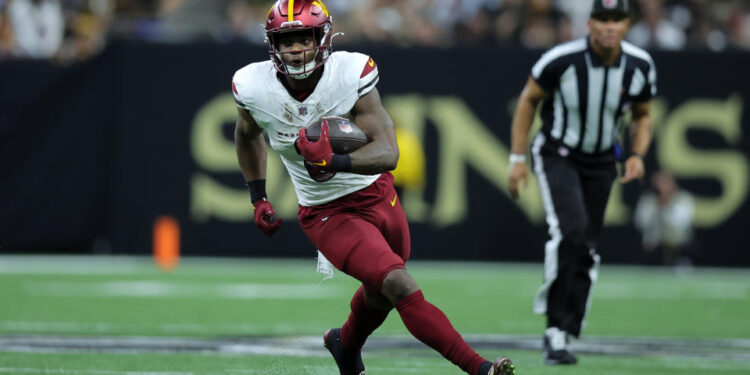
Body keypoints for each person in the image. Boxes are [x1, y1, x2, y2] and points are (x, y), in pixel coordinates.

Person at [232, 1, 515, 375]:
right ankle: (479, 368)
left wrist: (332, 161)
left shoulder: (350, 74)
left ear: (323, 38)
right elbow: (247, 135)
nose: (297, 48)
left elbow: (388, 151)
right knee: (397, 284)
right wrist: (258, 197)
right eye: (288, 41)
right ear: (273, 45)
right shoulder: (254, 87)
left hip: (379, 194)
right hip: (327, 210)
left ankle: (344, 344)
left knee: (379, 294)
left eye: (305, 37)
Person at [507, 0, 656, 365]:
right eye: (602, 19)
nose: (609, 26)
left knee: (586, 246)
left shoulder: (639, 65)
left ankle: (569, 325)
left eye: (616, 19)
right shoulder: (561, 59)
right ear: (589, 23)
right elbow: (529, 101)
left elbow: (642, 114)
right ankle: (555, 330)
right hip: (559, 153)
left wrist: (636, 153)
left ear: (626, 24)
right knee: (570, 232)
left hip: (603, 159)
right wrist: (517, 158)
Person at [634, 170, 695, 265]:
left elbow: (681, 224)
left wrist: (666, 206)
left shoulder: (684, 199)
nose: (662, 187)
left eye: (666, 182)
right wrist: (658, 206)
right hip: (652, 250)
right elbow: (641, 223)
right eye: (659, 183)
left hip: (678, 249)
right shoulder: (648, 200)